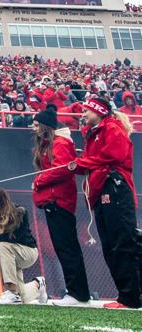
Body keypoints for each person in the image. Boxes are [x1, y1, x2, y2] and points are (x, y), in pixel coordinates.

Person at [71, 95, 140, 309]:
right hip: (103, 188)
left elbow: (114, 156)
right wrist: (77, 164)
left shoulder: (112, 128)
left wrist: (82, 162)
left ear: (98, 111)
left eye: (86, 111)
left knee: (122, 243)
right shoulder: (95, 133)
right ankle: (126, 295)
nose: (83, 115)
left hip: (115, 187)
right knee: (111, 245)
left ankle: (130, 297)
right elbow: (95, 162)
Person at [30, 105, 90, 306]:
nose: (34, 128)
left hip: (59, 200)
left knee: (67, 248)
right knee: (63, 247)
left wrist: (39, 181)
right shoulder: (51, 142)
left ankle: (78, 293)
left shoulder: (60, 143)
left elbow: (63, 170)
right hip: (54, 200)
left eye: (37, 124)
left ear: (46, 126)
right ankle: (76, 292)